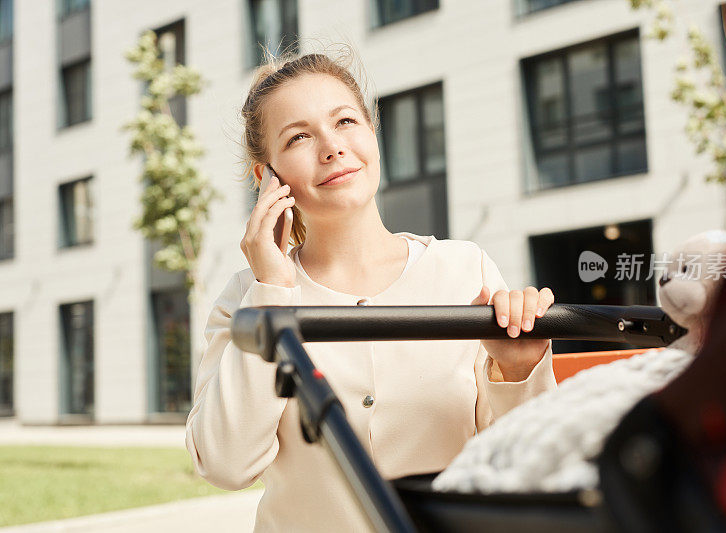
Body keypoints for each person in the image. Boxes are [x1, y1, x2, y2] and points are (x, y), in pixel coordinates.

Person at [185, 50, 558, 532]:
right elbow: (225, 464)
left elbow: (525, 466)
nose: (332, 147)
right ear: (266, 177)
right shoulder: (247, 298)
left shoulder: (465, 271)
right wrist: (272, 288)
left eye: (345, 121)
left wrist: (518, 368)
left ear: (372, 133)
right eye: (299, 136)